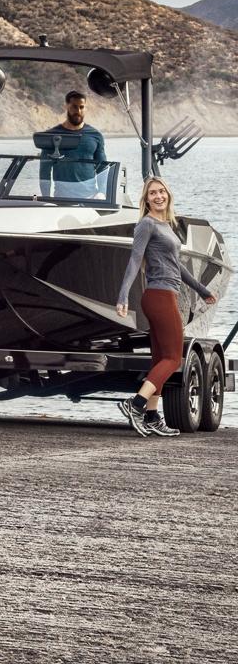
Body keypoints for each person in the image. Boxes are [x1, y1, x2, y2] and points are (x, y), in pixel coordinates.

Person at [114, 175, 216, 436]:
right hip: (158, 296)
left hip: (164, 294)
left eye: (162, 192)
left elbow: (177, 266)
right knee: (173, 358)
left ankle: (151, 416)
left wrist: (203, 290)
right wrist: (123, 295)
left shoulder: (166, 225)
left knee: (160, 359)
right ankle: (135, 404)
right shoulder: (146, 225)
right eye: (152, 193)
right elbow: (135, 261)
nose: (158, 196)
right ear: (146, 200)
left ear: (168, 195)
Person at [33, 91, 109, 201]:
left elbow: (103, 168)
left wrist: (102, 193)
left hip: (91, 199)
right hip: (62, 200)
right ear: (66, 106)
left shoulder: (95, 136)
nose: (78, 111)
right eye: (74, 107)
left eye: (81, 107)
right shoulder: (51, 136)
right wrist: (46, 199)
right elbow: (44, 172)